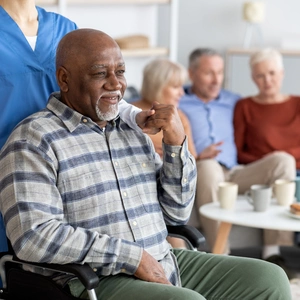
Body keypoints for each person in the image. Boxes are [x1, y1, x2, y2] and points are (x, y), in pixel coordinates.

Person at [0, 28, 292, 300]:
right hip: (94, 279)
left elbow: (175, 213)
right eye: (100, 73)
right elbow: (33, 236)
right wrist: (133, 257)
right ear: (64, 79)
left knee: (270, 278)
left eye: (121, 72)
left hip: (164, 260)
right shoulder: (33, 140)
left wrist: (176, 143)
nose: (116, 83)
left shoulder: (130, 130)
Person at [0, 0, 150, 255]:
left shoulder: (64, 29)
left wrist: (133, 114)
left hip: (59, 159)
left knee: (58, 254)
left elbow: (95, 87)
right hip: (10, 160)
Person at [178, 48, 296, 259]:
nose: (216, 80)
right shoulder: (178, 100)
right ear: (192, 73)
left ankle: (273, 252)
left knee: (282, 161)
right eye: (208, 73)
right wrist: (196, 155)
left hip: (236, 172)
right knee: (209, 166)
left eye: (220, 72)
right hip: (204, 168)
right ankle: (222, 256)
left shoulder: (234, 101)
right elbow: (146, 101)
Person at [234, 48, 300, 262]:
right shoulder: (245, 106)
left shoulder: (297, 104)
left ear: (282, 73)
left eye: (272, 73)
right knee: (282, 164)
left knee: (285, 163)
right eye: (260, 75)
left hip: (295, 173)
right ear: (253, 78)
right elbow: (239, 153)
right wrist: (271, 161)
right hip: (262, 171)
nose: (267, 80)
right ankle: (273, 252)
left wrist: (284, 156)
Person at [131, 58, 197, 248]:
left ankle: (183, 264)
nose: (182, 93)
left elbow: (190, 157)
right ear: (157, 85)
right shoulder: (130, 113)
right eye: (176, 86)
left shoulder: (179, 117)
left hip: (167, 182)